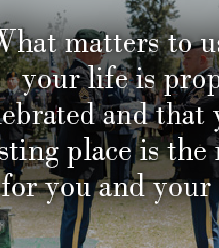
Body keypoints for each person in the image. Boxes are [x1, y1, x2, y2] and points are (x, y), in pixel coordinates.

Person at [50, 29, 139, 248]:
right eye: (98, 46)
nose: (103, 51)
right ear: (84, 47)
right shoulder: (79, 76)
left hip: (82, 155)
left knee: (79, 211)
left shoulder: (82, 73)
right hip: (80, 157)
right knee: (77, 213)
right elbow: (88, 117)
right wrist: (122, 119)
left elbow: (95, 107)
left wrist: (122, 106)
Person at [159, 41, 219, 248]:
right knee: (200, 216)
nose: (183, 62)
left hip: (206, 159)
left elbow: (189, 112)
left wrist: (151, 113)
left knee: (205, 219)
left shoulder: (211, 82)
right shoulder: (199, 83)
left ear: (203, 60)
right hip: (199, 158)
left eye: (188, 58)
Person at [103, 64, 142, 186]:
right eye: (119, 73)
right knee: (114, 156)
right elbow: (103, 108)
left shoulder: (133, 89)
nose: (121, 75)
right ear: (116, 75)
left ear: (127, 75)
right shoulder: (109, 89)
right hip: (112, 128)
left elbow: (139, 109)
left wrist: (137, 128)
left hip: (128, 128)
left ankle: (123, 182)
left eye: (123, 73)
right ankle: (114, 182)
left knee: (125, 156)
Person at [0, 72, 34, 189]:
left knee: (18, 157)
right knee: (7, 157)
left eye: (13, 79)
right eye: (8, 80)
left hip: (19, 132)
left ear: (17, 81)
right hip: (5, 131)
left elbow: (30, 113)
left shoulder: (24, 94)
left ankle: (17, 180)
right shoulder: (1, 95)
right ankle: (8, 180)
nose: (10, 82)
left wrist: (29, 130)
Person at [167, 69, 184, 180]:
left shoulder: (192, 88)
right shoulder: (172, 89)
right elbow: (167, 107)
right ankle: (177, 171)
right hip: (176, 124)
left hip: (188, 124)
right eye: (181, 77)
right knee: (177, 148)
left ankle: (186, 171)